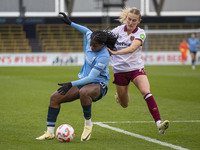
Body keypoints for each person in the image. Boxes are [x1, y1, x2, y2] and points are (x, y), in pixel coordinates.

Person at [36, 12, 117, 141]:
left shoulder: (104, 56)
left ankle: (88, 124)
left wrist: (71, 84)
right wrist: (71, 23)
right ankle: (50, 132)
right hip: (83, 82)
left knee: (84, 92)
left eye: (94, 46)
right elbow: (86, 30)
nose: (91, 46)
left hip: (98, 85)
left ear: (102, 45)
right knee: (54, 97)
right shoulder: (92, 38)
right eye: (90, 43)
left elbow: (91, 78)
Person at [107, 7, 169, 134]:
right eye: (129, 19)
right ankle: (119, 97)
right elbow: (104, 39)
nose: (130, 22)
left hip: (136, 69)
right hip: (119, 71)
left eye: (134, 20)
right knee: (124, 104)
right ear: (126, 18)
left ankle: (159, 123)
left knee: (146, 91)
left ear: (139, 21)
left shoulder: (140, 33)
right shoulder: (117, 31)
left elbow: (132, 48)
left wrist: (114, 52)